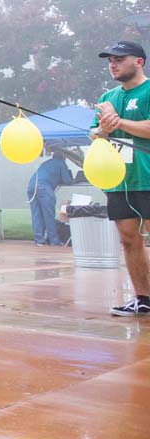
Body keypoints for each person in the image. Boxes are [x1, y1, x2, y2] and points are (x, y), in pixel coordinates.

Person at [89, 40, 150, 317]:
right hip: (120, 181)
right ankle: (144, 299)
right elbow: (94, 133)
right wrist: (103, 129)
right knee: (128, 240)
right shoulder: (107, 98)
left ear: (139, 61)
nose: (112, 64)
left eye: (119, 59)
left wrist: (119, 123)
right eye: (109, 60)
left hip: (148, 177)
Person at [26, 151, 73, 246]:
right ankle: (54, 240)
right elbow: (67, 180)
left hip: (31, 186)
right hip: (44, 187)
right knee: (49, 215)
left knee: (36, 215)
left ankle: (39, 240)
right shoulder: (61, 163)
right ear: (63, 157)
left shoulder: (46, 163)